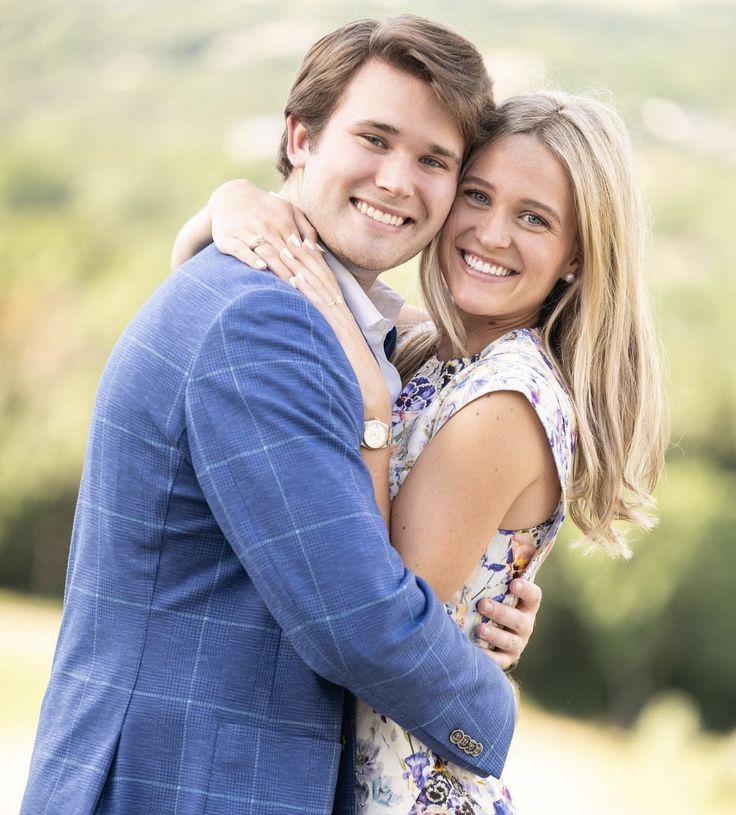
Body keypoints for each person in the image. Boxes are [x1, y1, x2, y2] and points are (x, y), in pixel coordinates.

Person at [21, 16, 538, 815]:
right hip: (177, 785)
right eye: (374, 138)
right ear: (300, 137)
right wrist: (490, 703)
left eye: (434, 160)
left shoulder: (328, 311)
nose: (399, 180)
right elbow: (358, 622)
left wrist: (473, 597)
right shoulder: (267, 322)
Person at [173, 90, 668, 813]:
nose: (492, 234)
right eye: (476, 195)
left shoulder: (505, 401)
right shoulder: (436, 351)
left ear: (575, 258)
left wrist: (374, 409)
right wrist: (232, 201)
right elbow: (192, 262)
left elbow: (372, 611)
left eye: (534, 219)